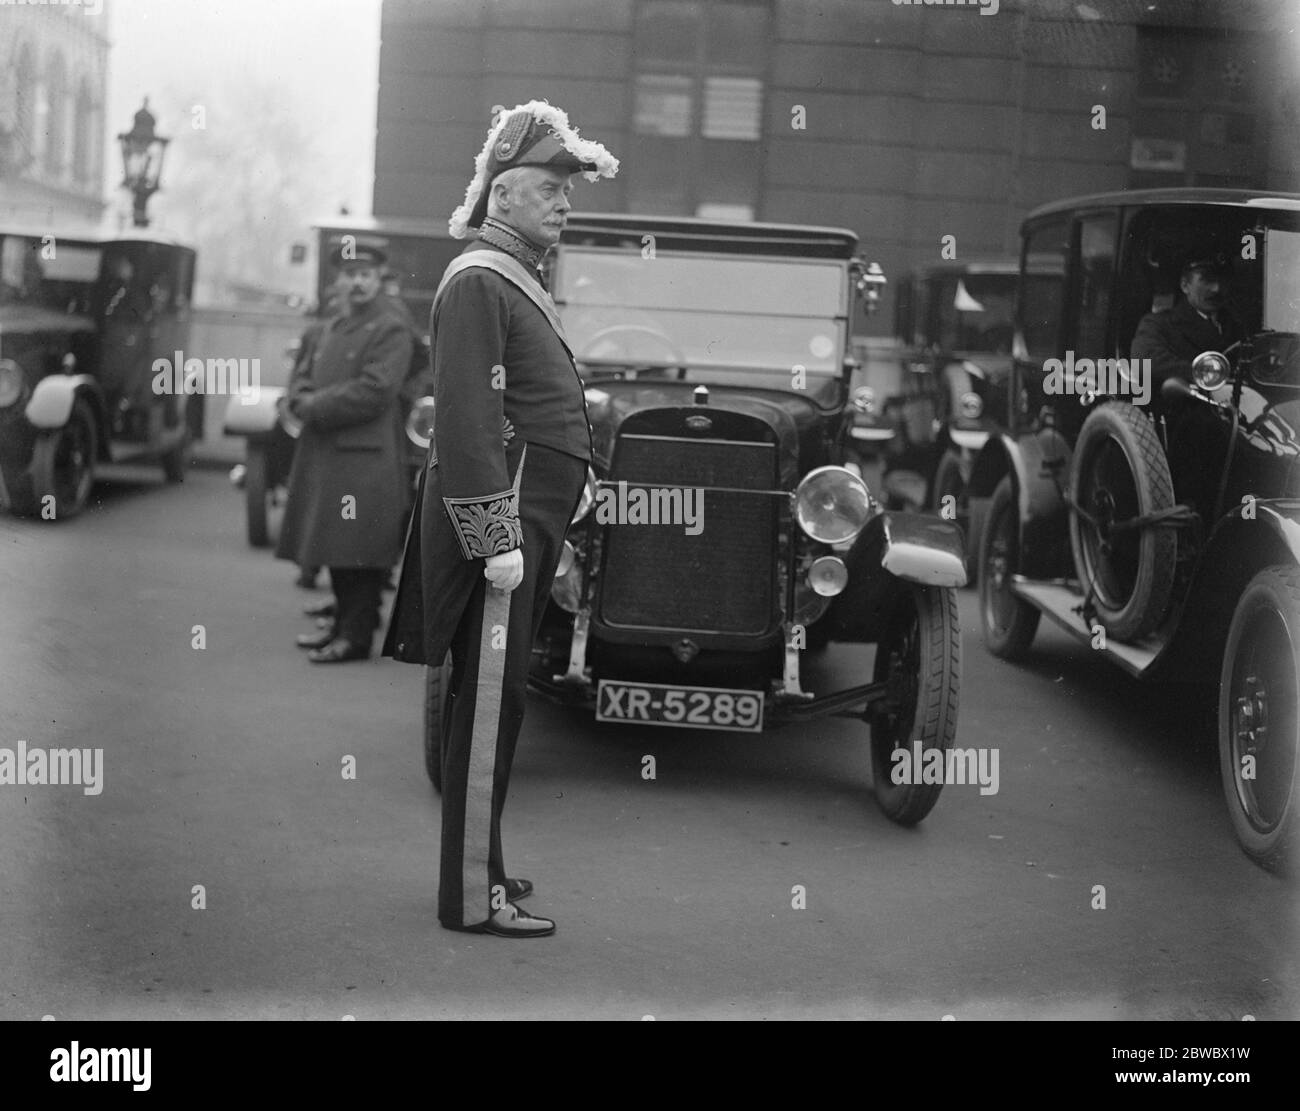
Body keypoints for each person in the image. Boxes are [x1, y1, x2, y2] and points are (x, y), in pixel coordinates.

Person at [382, 100, 618, 938]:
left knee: (502, 699)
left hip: (529, 511)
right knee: (488, 704)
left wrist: (574, 477)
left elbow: (535, 403)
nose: (565, 202)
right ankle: (471, 896)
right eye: (551, 187)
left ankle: (483, 869)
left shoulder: (510, 274)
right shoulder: (481, 277)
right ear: (504, 194)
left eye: (567, 188)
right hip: (504, 525)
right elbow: (470, 422)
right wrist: (496, 537)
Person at [275, 239, 414, 663]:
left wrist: (313, 406)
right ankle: (340, 628)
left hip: (364, 460)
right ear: (338, 280)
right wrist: (297, 398)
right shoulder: (329, 327)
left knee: (359, 551)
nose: (356, 283)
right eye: (350, 275)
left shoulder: (390, 328)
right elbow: (300, 377)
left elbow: (376, 390)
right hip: (329, 454)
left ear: (378, 280)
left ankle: (355, 637)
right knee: (336, 545)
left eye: (365, 276)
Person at [1130, 253, 1241, 512]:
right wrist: (1206, 374)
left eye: (1222, 280)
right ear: (1185, 285)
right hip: (1182, 416)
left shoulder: (1237, 326)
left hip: (1240, 411)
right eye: (1207, 279)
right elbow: (1147, 360)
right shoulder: (1159, 324)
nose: (1216, 289)